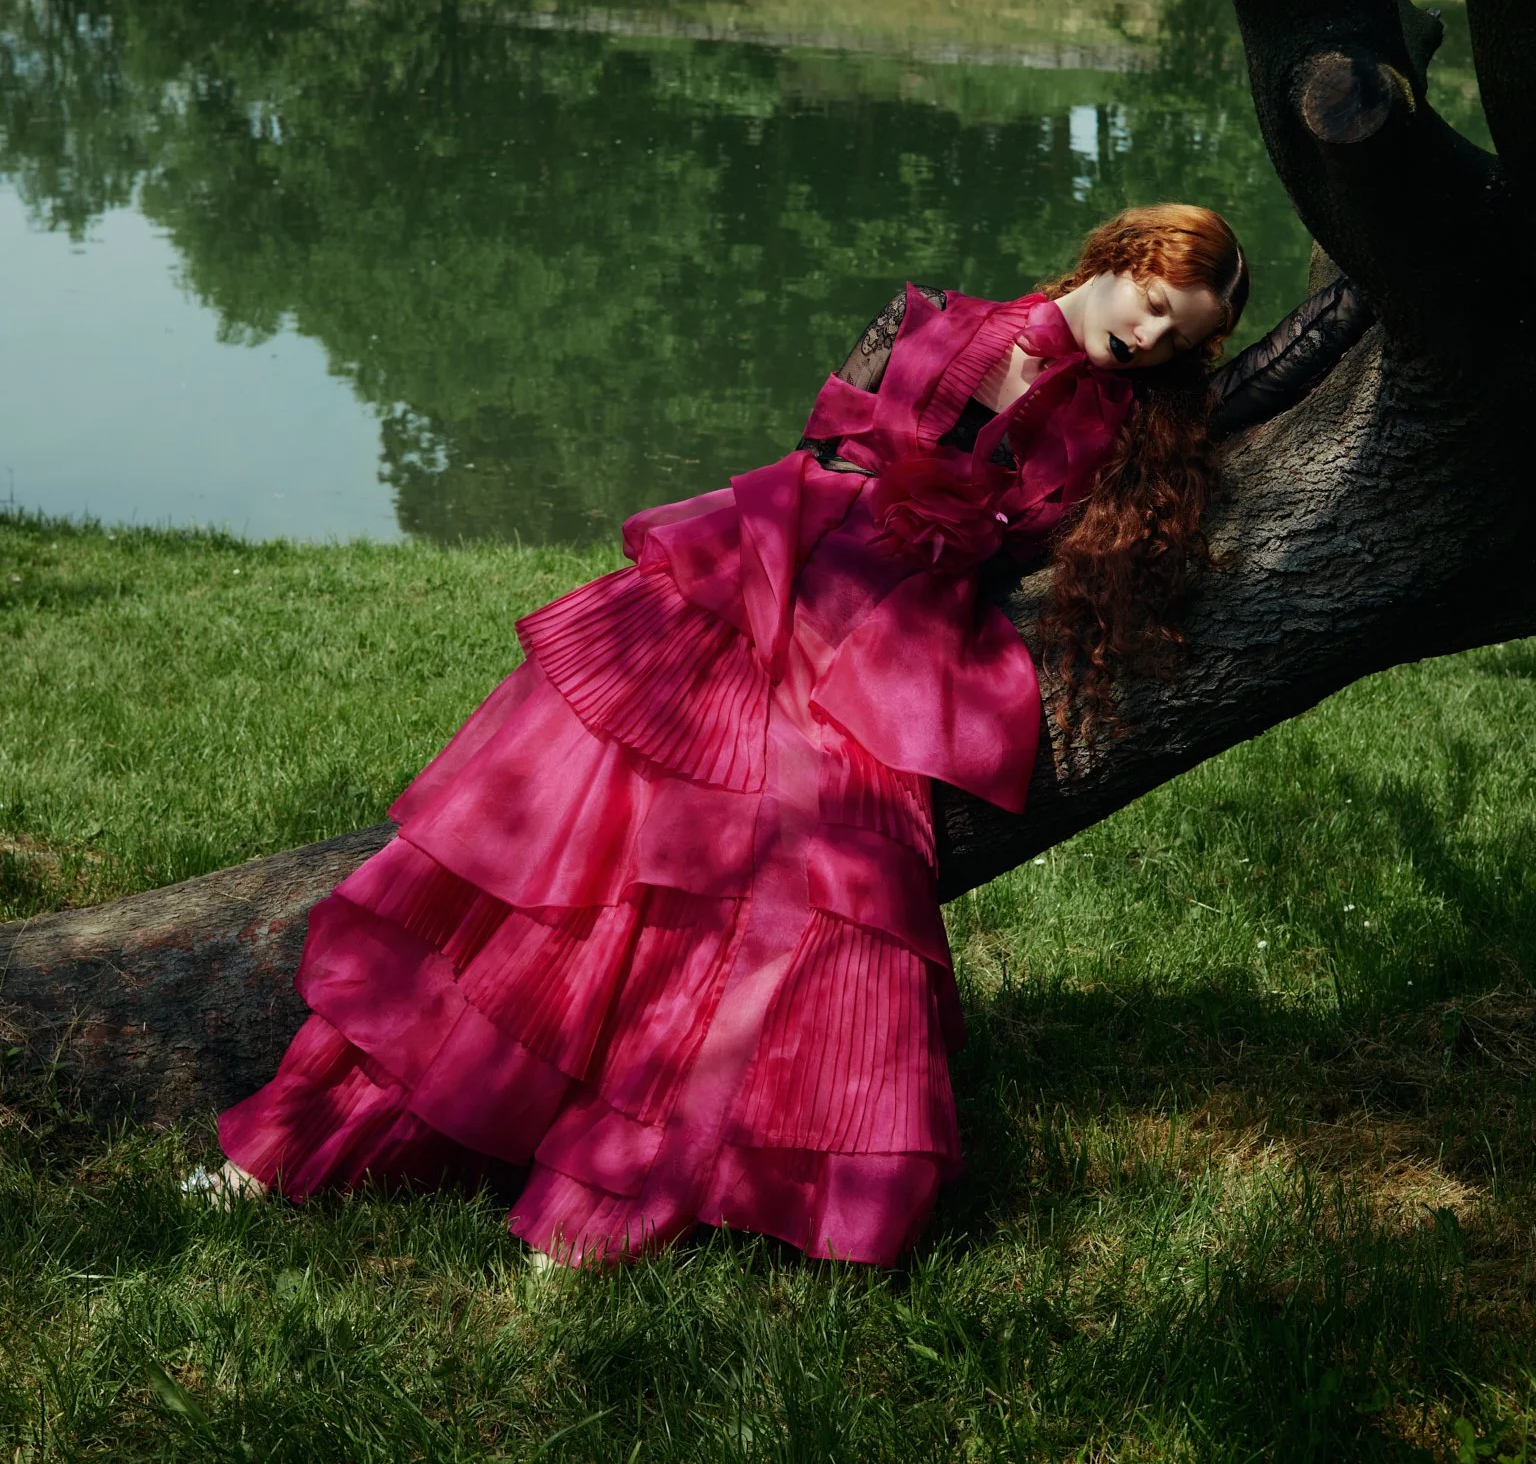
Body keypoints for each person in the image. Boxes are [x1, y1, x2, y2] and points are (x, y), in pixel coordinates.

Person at [212, 204, 1370, 1263]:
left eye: (1178, 339)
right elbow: (822, 447)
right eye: (1154, 304)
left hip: (893, 643)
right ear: (1119, 257)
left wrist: (1368, 282)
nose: (1149, 338)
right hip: (762, 579)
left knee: (795, 891)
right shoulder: (929, 319)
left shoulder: (1128, 427)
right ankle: (317, 1135)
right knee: (582, 849)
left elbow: (1262, 380)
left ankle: (613, 1192)